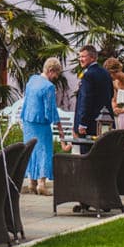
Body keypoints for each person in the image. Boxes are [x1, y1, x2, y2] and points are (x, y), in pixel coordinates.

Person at [20, 57, 62, 195]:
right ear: (51, 71)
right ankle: (41, 184)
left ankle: (32, 182)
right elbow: (50, 110)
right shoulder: (49, 87)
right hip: (41, 123)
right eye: (56, 74)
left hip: (28, 120)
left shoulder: (32, 80)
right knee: (44, 150)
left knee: (30, 150)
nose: (56, 77)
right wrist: (59, 127)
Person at [72, 45, 115, 144]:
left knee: (87, 155)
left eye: (83, 57)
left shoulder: (88, 75)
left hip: (89, 125)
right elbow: (111, 94)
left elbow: (86, 100)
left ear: (92, 57)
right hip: (105, 123)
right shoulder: (106, 73)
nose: (80, 59)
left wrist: (82, 123)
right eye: (79, 57)